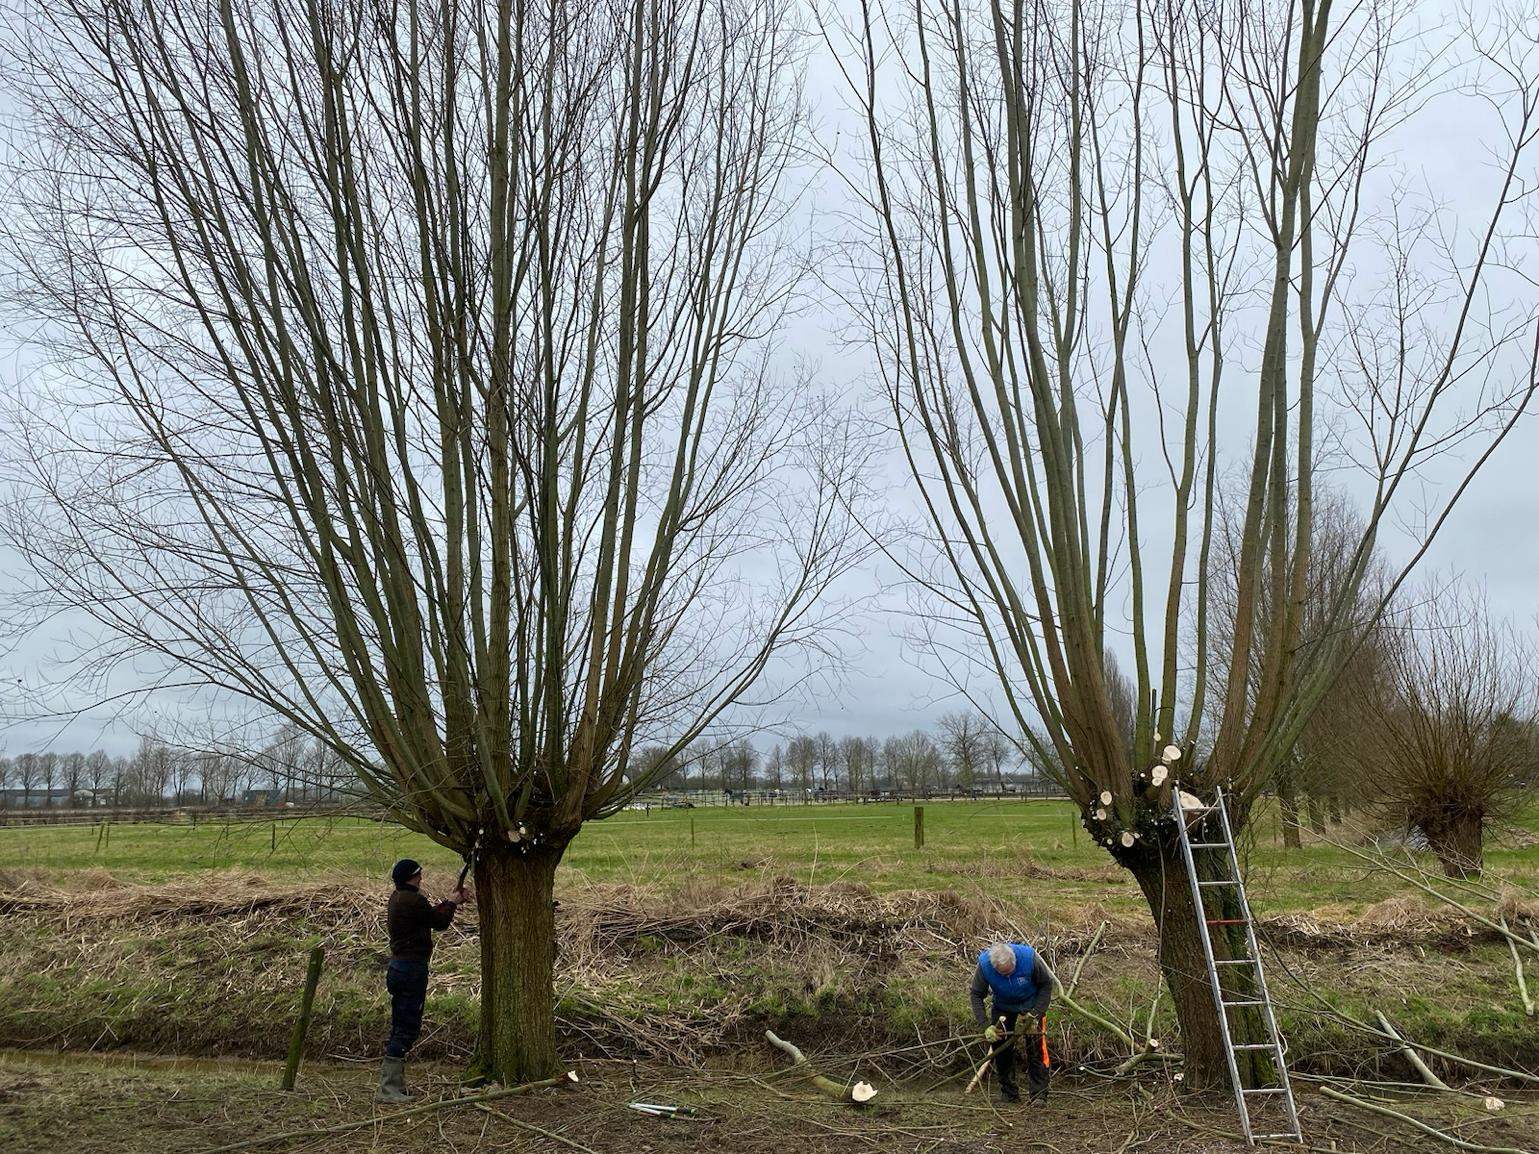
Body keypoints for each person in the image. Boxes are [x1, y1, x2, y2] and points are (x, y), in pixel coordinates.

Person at [377, 858, 471, 1104]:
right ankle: (388, 1089)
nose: (421, 878)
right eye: (419, 874)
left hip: (399, 968)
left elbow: (427, 916)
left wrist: (450, 901)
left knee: (401, 1024)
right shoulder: (413, 900)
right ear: (412, 877)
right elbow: (439, 923)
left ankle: (395, 1085)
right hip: (411, 970)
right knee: (407, 1027)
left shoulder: (398, 898)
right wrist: (453, 902)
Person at [970, 941, 1052, 1104]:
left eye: (1010, 972)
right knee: (1000, 1048)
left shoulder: (1029, 959)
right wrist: (986, 1026)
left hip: (1032, 1004)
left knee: (1036, 1049)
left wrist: (1034, 1014)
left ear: (1014, 962)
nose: (1007, 976)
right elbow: (976, 995)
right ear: (994, 968)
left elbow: (1046, 984)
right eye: (1003, 974)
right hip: (1003, 1007)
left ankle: (1039, 1095)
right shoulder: (985, 965)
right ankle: (1009, 1093)